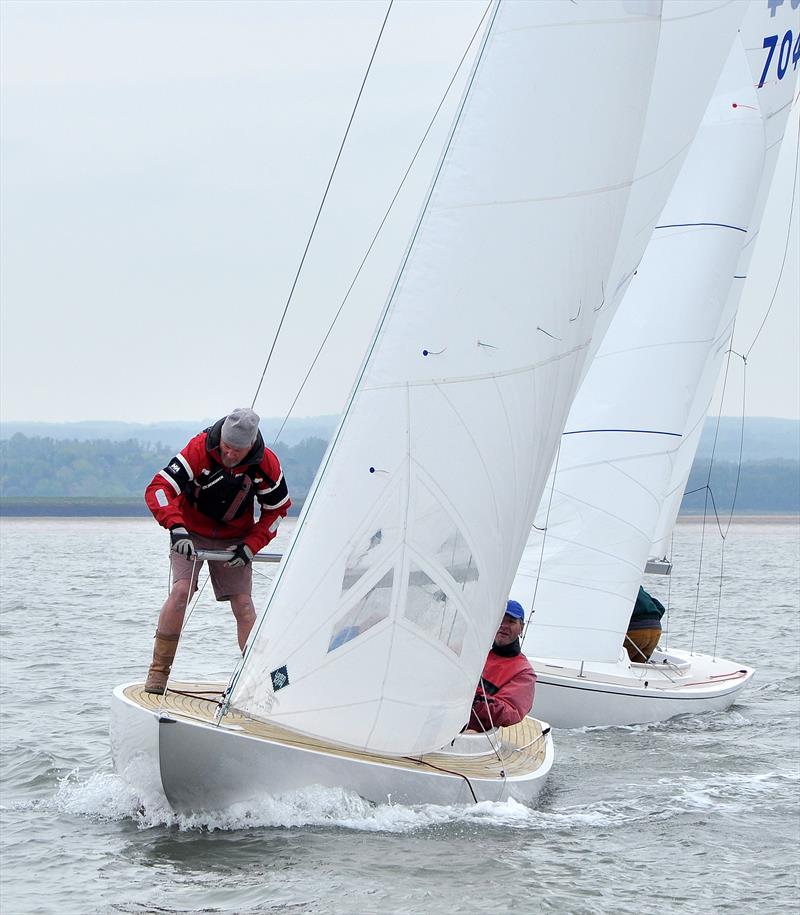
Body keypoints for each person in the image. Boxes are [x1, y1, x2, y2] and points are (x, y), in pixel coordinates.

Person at [142, 407, 291, 694]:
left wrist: (252, 545)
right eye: (226, 447)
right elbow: (159, 489)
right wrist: (176, 527)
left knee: (244, 605)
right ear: (219, 439)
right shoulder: (199, 448)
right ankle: (158, 672)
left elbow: (277, 512)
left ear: (250, 446)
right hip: (189, 533)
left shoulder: (266, 465)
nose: (231, 454)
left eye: (238, 450)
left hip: (235, 539)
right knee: (181, 591)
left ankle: (259, 682)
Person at [465, 600, 536, 731]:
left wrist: (474, 701)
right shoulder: (475, 651)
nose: (504, 625)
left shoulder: (524, 673)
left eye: (511, 621)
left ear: (521, 627)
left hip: (474, 733)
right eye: (500, 619)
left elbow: (509, 711)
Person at [624, 585, 666, 662]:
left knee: (617, 661)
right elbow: (661, 608)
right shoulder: (638, 589)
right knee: (638, 668)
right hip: (656, 630)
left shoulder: (614, 590)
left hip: (635, 631)